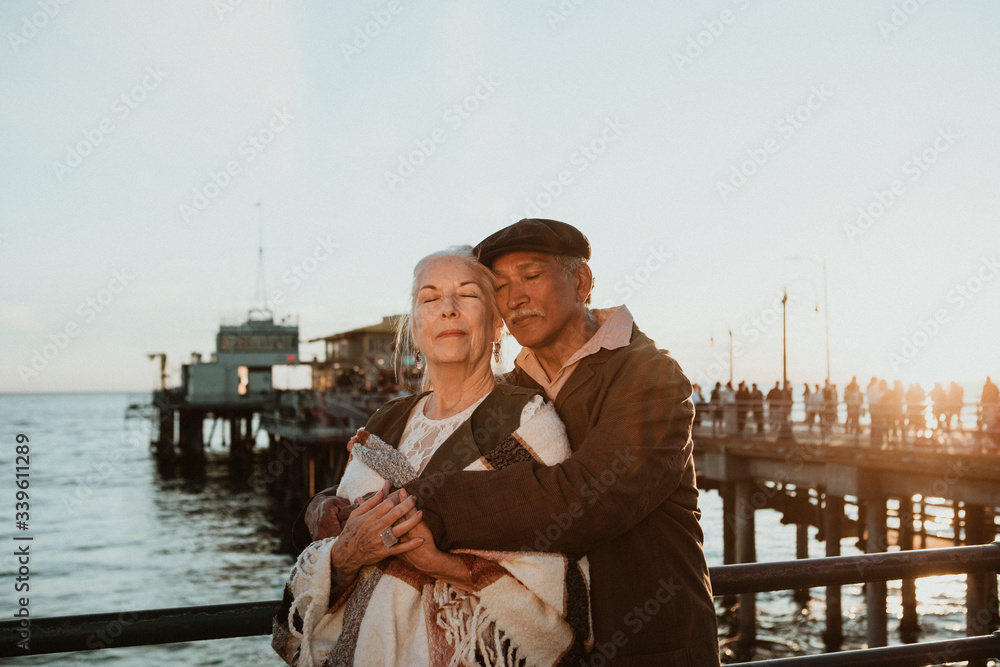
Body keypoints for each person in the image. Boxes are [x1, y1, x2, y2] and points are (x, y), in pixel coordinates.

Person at [304, 219, 719, 665]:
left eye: (532, 276)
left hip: (645, 641)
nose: (515, 297)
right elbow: (441, 461)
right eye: (500, 285)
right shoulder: (517, 390)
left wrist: (418, 504)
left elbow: (593, 495)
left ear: (581, 281)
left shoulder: (648, 374)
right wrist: (324, 508)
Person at [274, 247, 592, 666]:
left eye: (468, 295)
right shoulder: (386, 420)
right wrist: (345, 556)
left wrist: (443, 565)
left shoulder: (526, 421)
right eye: (430, 298)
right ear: (416, 324)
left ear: (497, 323)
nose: (447, 309)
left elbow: (559, 586)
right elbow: (333, 547)